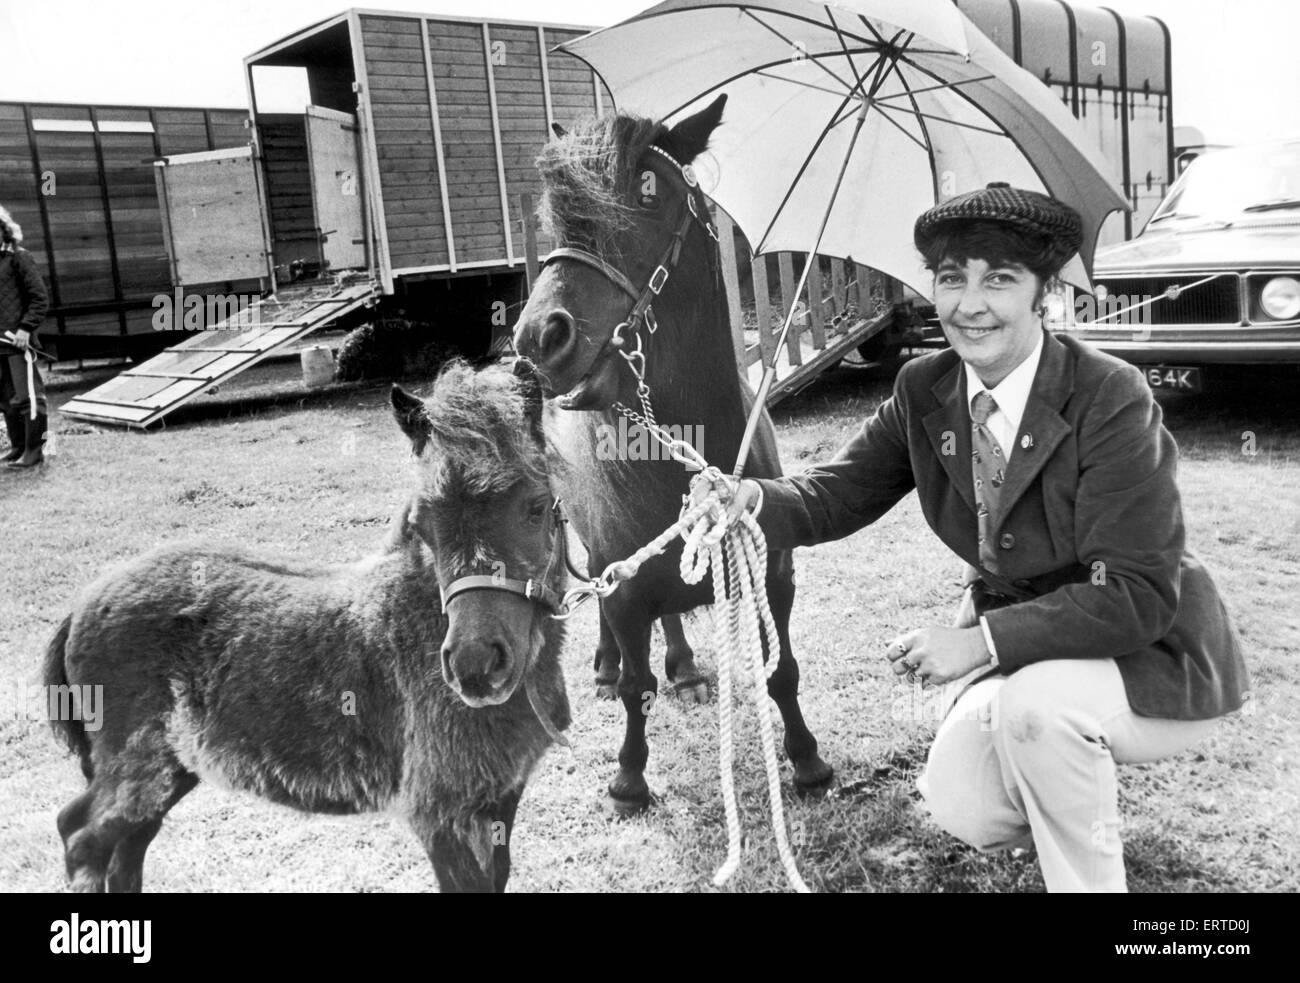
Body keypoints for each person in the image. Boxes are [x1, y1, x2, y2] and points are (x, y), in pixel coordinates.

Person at [719, 183, 1251, 892]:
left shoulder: (1110, 395)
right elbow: (837, 492)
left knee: (1036, 715)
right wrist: (750, 496)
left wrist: (978, 643)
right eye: (951, 278)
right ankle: (1065, 788)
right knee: (962, 800)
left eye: (999, 278)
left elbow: (1136, 595)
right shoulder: (925, 388)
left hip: (1153, 657)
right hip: (1037, 659)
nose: (970, 303)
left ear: (1044, 295)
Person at [0, 204, 50, 469]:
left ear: (4, 230)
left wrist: (25, 328)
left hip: (19, 343)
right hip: (0, 346)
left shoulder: (20, 257)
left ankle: (35, 452)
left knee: (30, 398)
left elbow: (39, 299)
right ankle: (18, 446)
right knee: (8, 402)